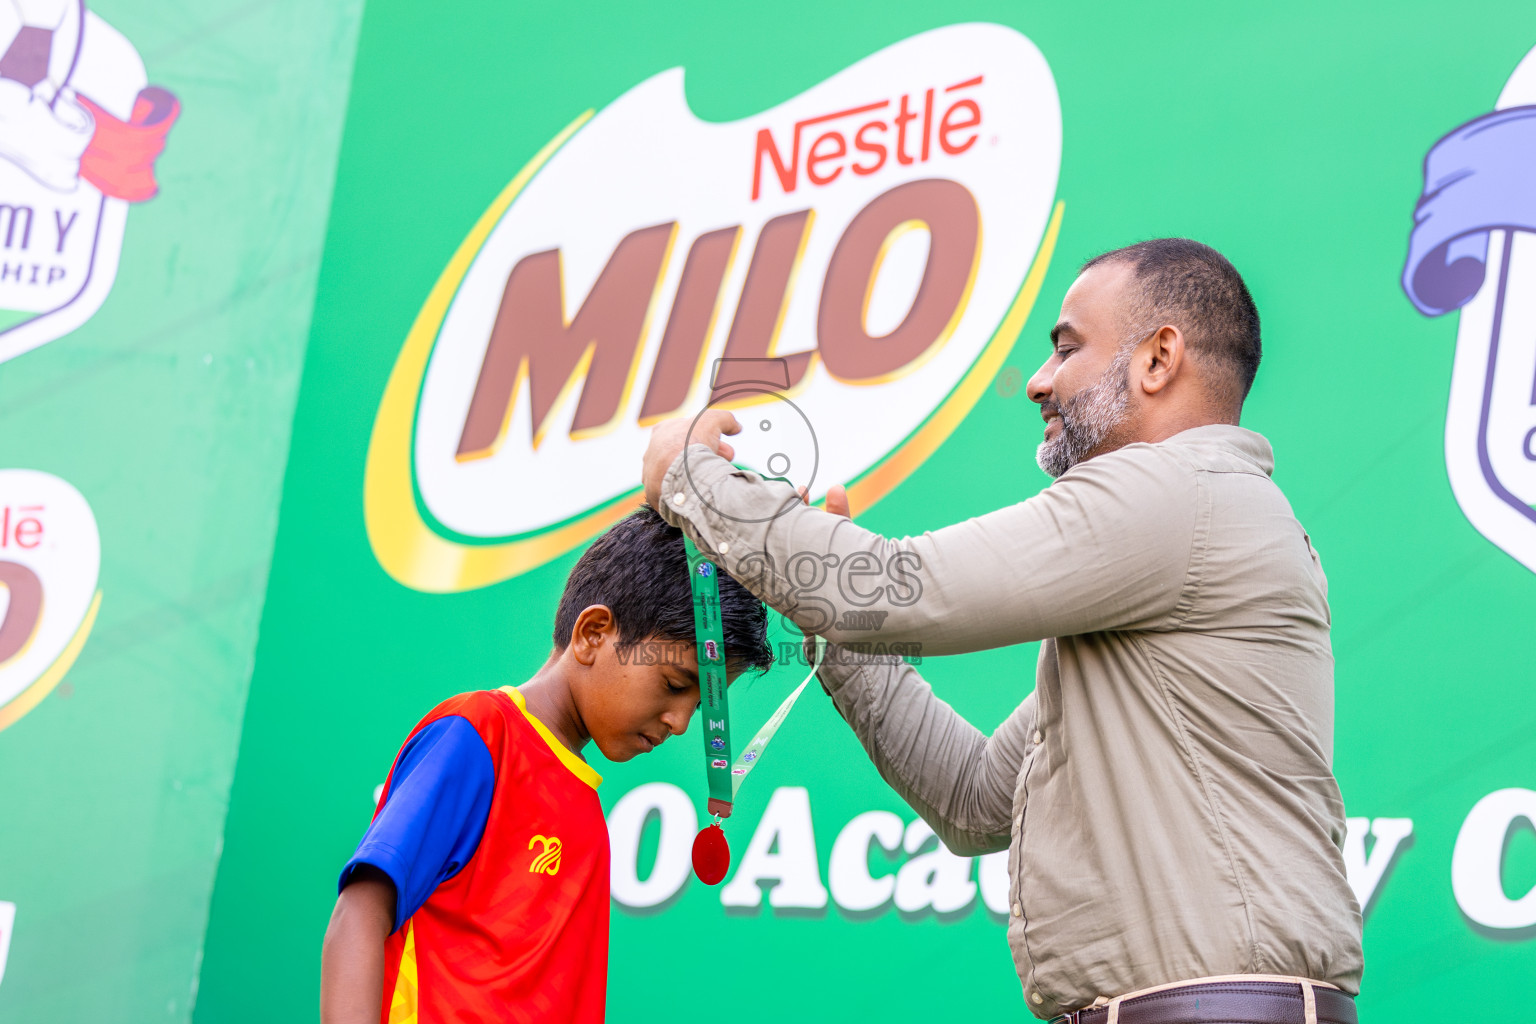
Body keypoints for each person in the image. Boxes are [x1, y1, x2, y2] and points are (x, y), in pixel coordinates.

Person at [641, 239, 1363, 1023]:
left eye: (1067, 348)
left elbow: (891, 589)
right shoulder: (1184, 534)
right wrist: (824, 605)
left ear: (1158, 359)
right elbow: (973, 799)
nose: (1038, 381)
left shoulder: (1178, 491)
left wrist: (688, 474)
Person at [319, 506, 772, 1024]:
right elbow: (359, 913)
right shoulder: (479, 734)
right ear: (593, 633)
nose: (681, 722)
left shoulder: (587, 811)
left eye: (701, 706)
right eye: (674, 684)